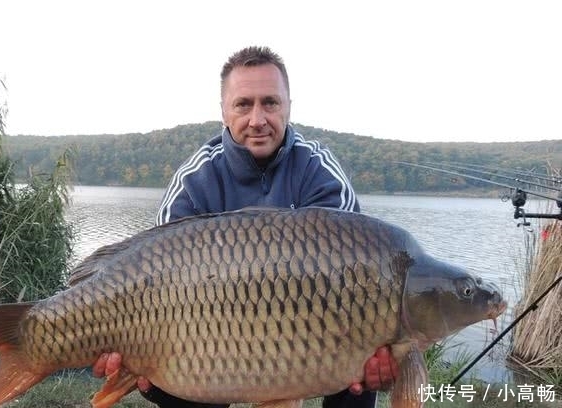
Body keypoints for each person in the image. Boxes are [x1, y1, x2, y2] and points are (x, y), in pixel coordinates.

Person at [93, 46, 398, 407]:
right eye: (243, 104)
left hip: (308, 327)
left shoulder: (320, 173)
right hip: (203, 331)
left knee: (362, 363)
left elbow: (354, 282)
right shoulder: (195, 182)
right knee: (157, 375)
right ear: (223, 111)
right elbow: (154, 278)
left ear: (288, 106)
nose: (257, 119)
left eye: (270, 103)